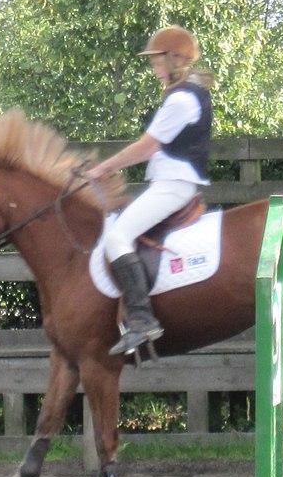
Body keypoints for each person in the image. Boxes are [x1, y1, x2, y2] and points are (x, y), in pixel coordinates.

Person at [86, 25, 213, 356]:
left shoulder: (183, 98)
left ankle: (143, 321)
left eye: (157, 61)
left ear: (175, 59)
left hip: (175, 185)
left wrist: (104, 168)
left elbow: (146, 147)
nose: (153, 67)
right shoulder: (182, 93)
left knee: (116, 238)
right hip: (169, 182)